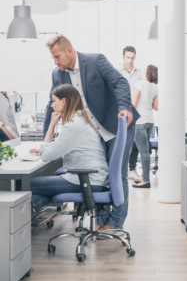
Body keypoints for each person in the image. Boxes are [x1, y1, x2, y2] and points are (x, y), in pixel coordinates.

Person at [44, 35, 139, 231]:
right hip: (94, 133)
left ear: (69, 51)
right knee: (101, 176)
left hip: (117, 125)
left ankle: (115, 222)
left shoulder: (96, 61)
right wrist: (45, 139)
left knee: (117, 174)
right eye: (53, 58)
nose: (55, 62)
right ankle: (101, 219)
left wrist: (124, 107)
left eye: (57, 56)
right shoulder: (58, 74)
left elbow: (121, 83)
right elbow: (50, 106)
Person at [30, 84, 109, 215]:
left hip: (89, 181)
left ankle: (24, 219)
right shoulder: (82, 119)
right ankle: (28, 217)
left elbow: (46, 156)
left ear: (64, 101)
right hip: (96, 178)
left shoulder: (73, 125)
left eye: (54, 100)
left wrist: (52, 124)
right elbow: (64, 148)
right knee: (45, 185)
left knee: (28, 184)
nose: (51, 105)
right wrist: (50, 148)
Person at [131, 66, 158, 189]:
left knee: (143, 151)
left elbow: (133, 104)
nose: (142, 69)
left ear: (148, 72)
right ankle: (144, 177)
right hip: (150, 121)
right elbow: (156, 106)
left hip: (140, 122)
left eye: (145, 68)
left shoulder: (139, 83)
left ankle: (146, 180)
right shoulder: (154, 87)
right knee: (145, 151)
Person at [118, 46, 142, 181]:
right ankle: (120, 169)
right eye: (127, 57)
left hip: (136, 110)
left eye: (132, 57)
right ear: (123, 57)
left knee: (134, 141)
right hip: (121, 109)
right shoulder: (117, 72)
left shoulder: (139, 73)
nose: (130, 60)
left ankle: (132, 169)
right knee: (120, 140)